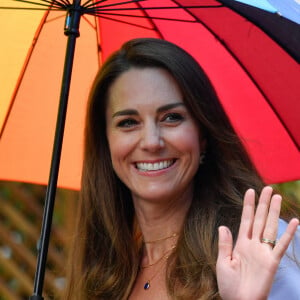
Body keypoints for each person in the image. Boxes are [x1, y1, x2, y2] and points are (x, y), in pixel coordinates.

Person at [64, 38, 300, 300]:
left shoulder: (262, 245)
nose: (152, 142)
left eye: (172, 118)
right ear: (105, 141)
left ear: (202, 135)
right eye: (128, 122)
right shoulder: (105, 272)